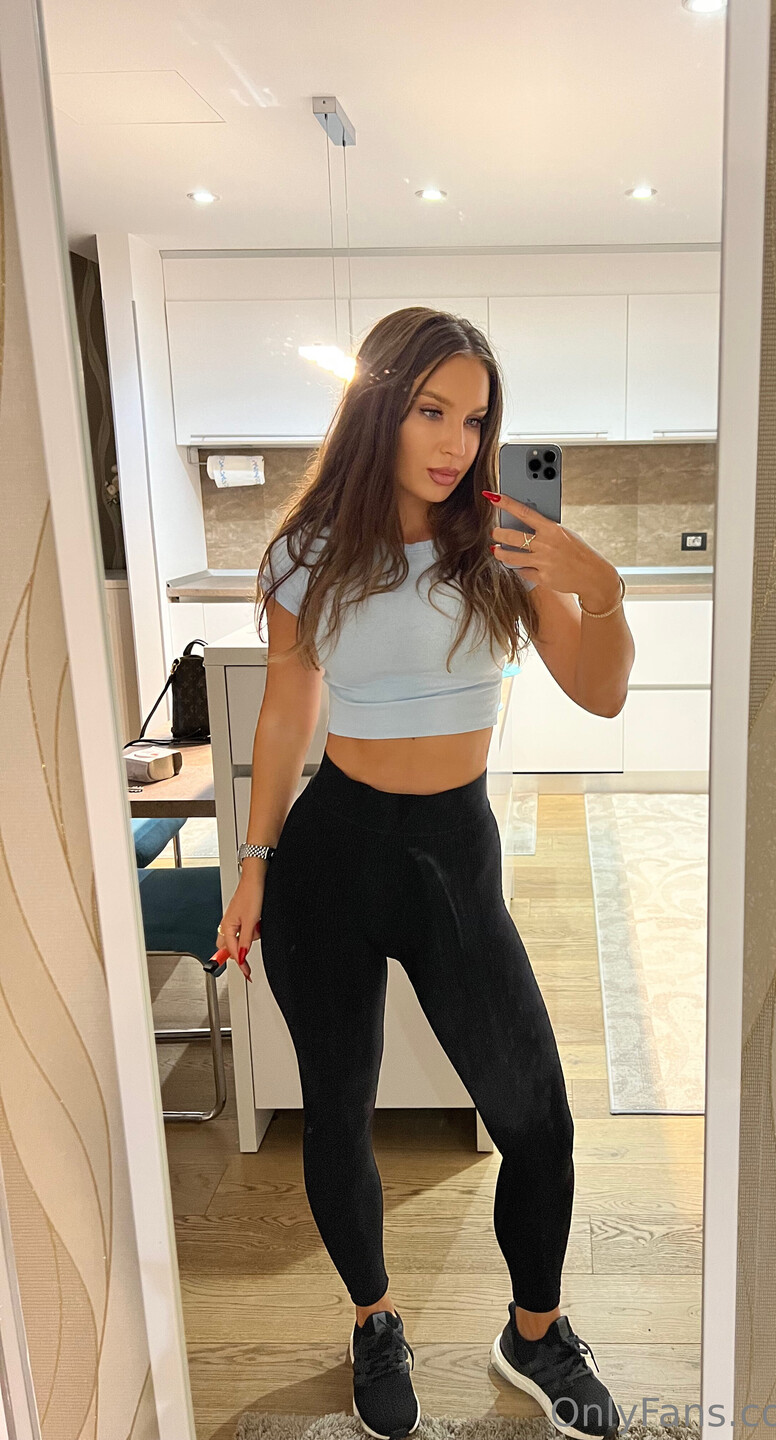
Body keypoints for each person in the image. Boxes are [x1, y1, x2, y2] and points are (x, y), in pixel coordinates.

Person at [215, 307, 635, 1440]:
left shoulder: (503, 541)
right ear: (379, 407)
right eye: (432, 410)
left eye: (477, 419)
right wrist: (253, 866)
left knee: (537, 1122)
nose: (457, 442)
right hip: (331, 858)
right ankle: (374, 1319)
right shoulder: (306, 551)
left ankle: (534, 1333)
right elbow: (289, 706)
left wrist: (600, 590)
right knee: (337, 1111)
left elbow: (601, 692)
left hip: (455, 855)